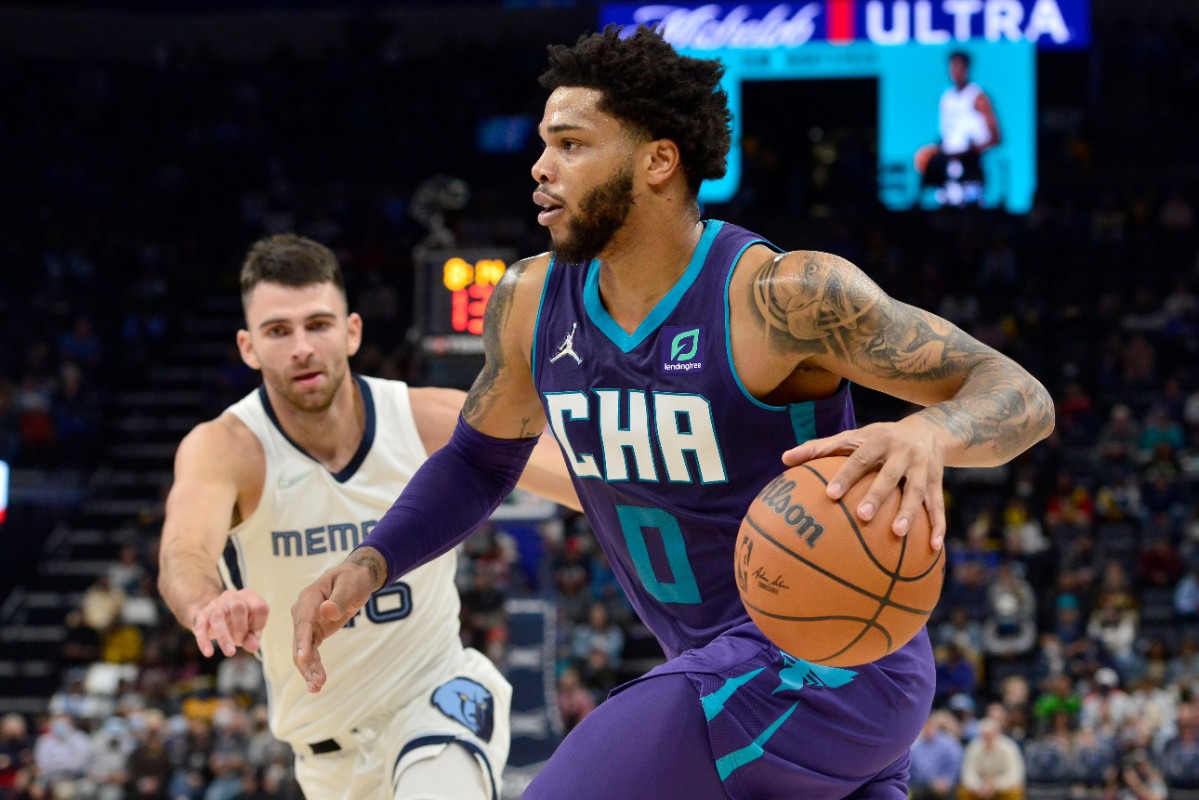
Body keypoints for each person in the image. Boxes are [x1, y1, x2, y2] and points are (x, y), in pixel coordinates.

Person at [293, 26, 1054, 799]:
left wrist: (928, 430)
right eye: (542, 143)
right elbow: (480, 460)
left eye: (571, 144)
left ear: (657, 160)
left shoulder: (781, 299)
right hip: (742, 687)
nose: (540, 168)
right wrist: (371, 563)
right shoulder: (528, 302)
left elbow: (1020, 396)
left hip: (827, 668)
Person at [157, 233, 580, 800]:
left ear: (352, 331)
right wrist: (209, 604)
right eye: (278, 332)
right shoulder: (229, 447)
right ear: (248, 348)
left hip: (437, 703)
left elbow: (588, 479)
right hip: (326, 759)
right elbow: (183, 551)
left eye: (318, 324)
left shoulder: (425, 418)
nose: (302, 347)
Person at [914, 50, 1002, 207]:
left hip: (969, 166)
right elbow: (946, 135)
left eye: (959, 66)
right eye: (952, 66)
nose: (955, 70)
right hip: (947, 167)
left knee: (969, 216)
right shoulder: (946, 97)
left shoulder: (977, 97)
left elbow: (996, 137)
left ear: (966, 68)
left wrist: (971, 151)